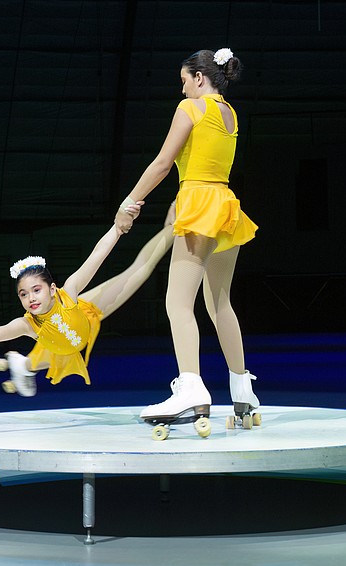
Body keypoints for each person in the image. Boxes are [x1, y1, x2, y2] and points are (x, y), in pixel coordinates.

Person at [113, 48, 260, 427]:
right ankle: (243, 389)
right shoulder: (230, 113)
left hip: (198, 205)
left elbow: (163, 163)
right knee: (220, 303)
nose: (181, 91)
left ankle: (192, 386)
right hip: (225, 206)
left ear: (199, 77)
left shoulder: (190, 110)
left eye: (183, 81)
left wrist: (130, 203)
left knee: (177, 303)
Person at [0, 203, 174, 394]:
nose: (30, 298)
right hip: (59, 345)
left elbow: (97, 257)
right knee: (51, 352)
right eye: (23, 294)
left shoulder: (68, 292)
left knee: (138, 272)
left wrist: (117, 230)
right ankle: (22, 364)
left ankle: (172, 229)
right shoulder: (28, 324)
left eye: (36, 290)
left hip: (87, 312)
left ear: (52, 288)